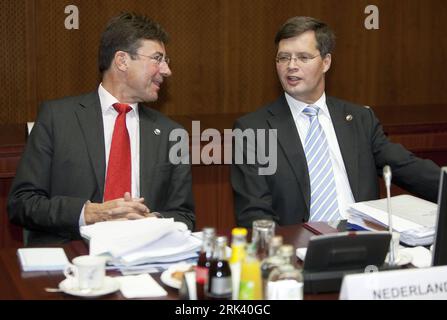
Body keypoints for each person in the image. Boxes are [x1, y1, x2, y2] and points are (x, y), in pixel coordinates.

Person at [231, 16, 440, 228]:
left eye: (303, 57)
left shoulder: (360, 119)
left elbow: (409, 168)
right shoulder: (252, 130)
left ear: (326, 62)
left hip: (363, 242)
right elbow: (254, 213)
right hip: (297, 248)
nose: (291, 66)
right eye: (283, 58)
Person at [8, 12, 195, 244]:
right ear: (122, 60)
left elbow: (184, 216)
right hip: (73, 257)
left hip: (142, 259)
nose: (167, 71)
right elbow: (22, 203)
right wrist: (90, 213)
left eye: (166, 61)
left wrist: (150, 222)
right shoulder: (58, 118)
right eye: (158, 59)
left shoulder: (170, 133)